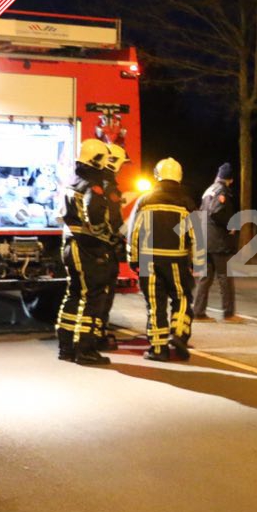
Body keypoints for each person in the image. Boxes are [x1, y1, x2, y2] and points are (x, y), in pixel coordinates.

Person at [127, 157, 200, 362]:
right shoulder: (187, 203)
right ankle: (178, 334)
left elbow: (134, 232)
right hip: (177, 261)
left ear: (157, 176)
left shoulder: (145, 200)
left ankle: (158, 350)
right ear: (179, 177)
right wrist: (198, 262)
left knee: (155, 305)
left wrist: (133, 258)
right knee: (183, 298)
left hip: (147, 261)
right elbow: (197, 236)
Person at [55, 139, 116, 365]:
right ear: (96, 159)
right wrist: (110, 239)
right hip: (88, 247)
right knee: (93, 297)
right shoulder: (93, 184)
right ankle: (86, 350)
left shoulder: (73, 180)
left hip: (70, 245)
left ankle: (66, 347)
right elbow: (96, 219)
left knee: (74, 294)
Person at [194, 162, 243, 322]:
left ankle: (198, 312)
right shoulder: (222, 191)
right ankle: (228, 313)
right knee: (225, 278)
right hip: (218, 241)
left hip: (205, 238)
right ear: (230, 180)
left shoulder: (209, 189)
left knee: (205, 277)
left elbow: (203, 211)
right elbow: (216, 212)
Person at [92, 142, 130, 352]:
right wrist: (126, 235)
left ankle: (91, 333)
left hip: (92, 247)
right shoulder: (109, 186)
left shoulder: (95, 182)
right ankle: (98, 335)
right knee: (103, 294)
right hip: (105, 249)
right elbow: (114, 222)